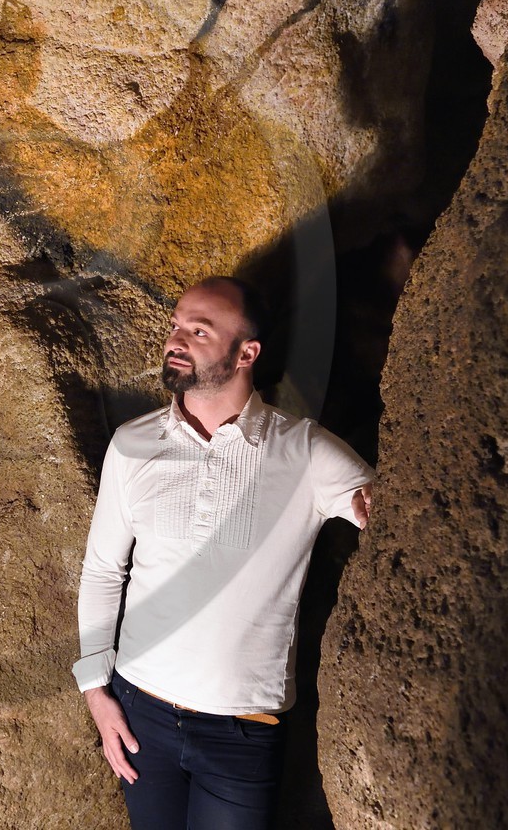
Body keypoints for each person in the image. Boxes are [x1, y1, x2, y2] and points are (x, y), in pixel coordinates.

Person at [74, 276, 372, 829]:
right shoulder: (133, 444)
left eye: (199, 330)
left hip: (242, 731)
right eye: (176, 325)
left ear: (246, 353)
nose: (176, 339)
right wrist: (95, 687)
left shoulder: (303, 450)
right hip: (140, 713)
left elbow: (398, 519)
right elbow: (102, 570)